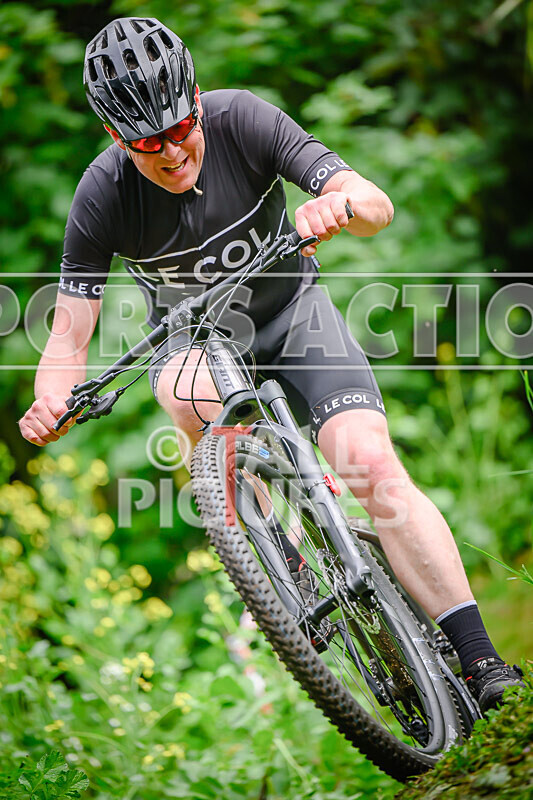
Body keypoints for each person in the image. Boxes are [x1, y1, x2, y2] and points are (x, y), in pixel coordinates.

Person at [18, 17, 523, 713]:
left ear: (197, 101)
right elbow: (68, 338)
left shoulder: (243, 120)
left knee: (371, 465)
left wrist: (337, 204)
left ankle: (482, 661)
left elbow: (374, 204)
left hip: (294, 319)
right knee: (184, 388)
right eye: (147, 143)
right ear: (115, 137)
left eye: (180, 128)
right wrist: (51, 401)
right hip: (198, 344)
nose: (171, 152)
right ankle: (274, 555)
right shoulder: (101, 194)